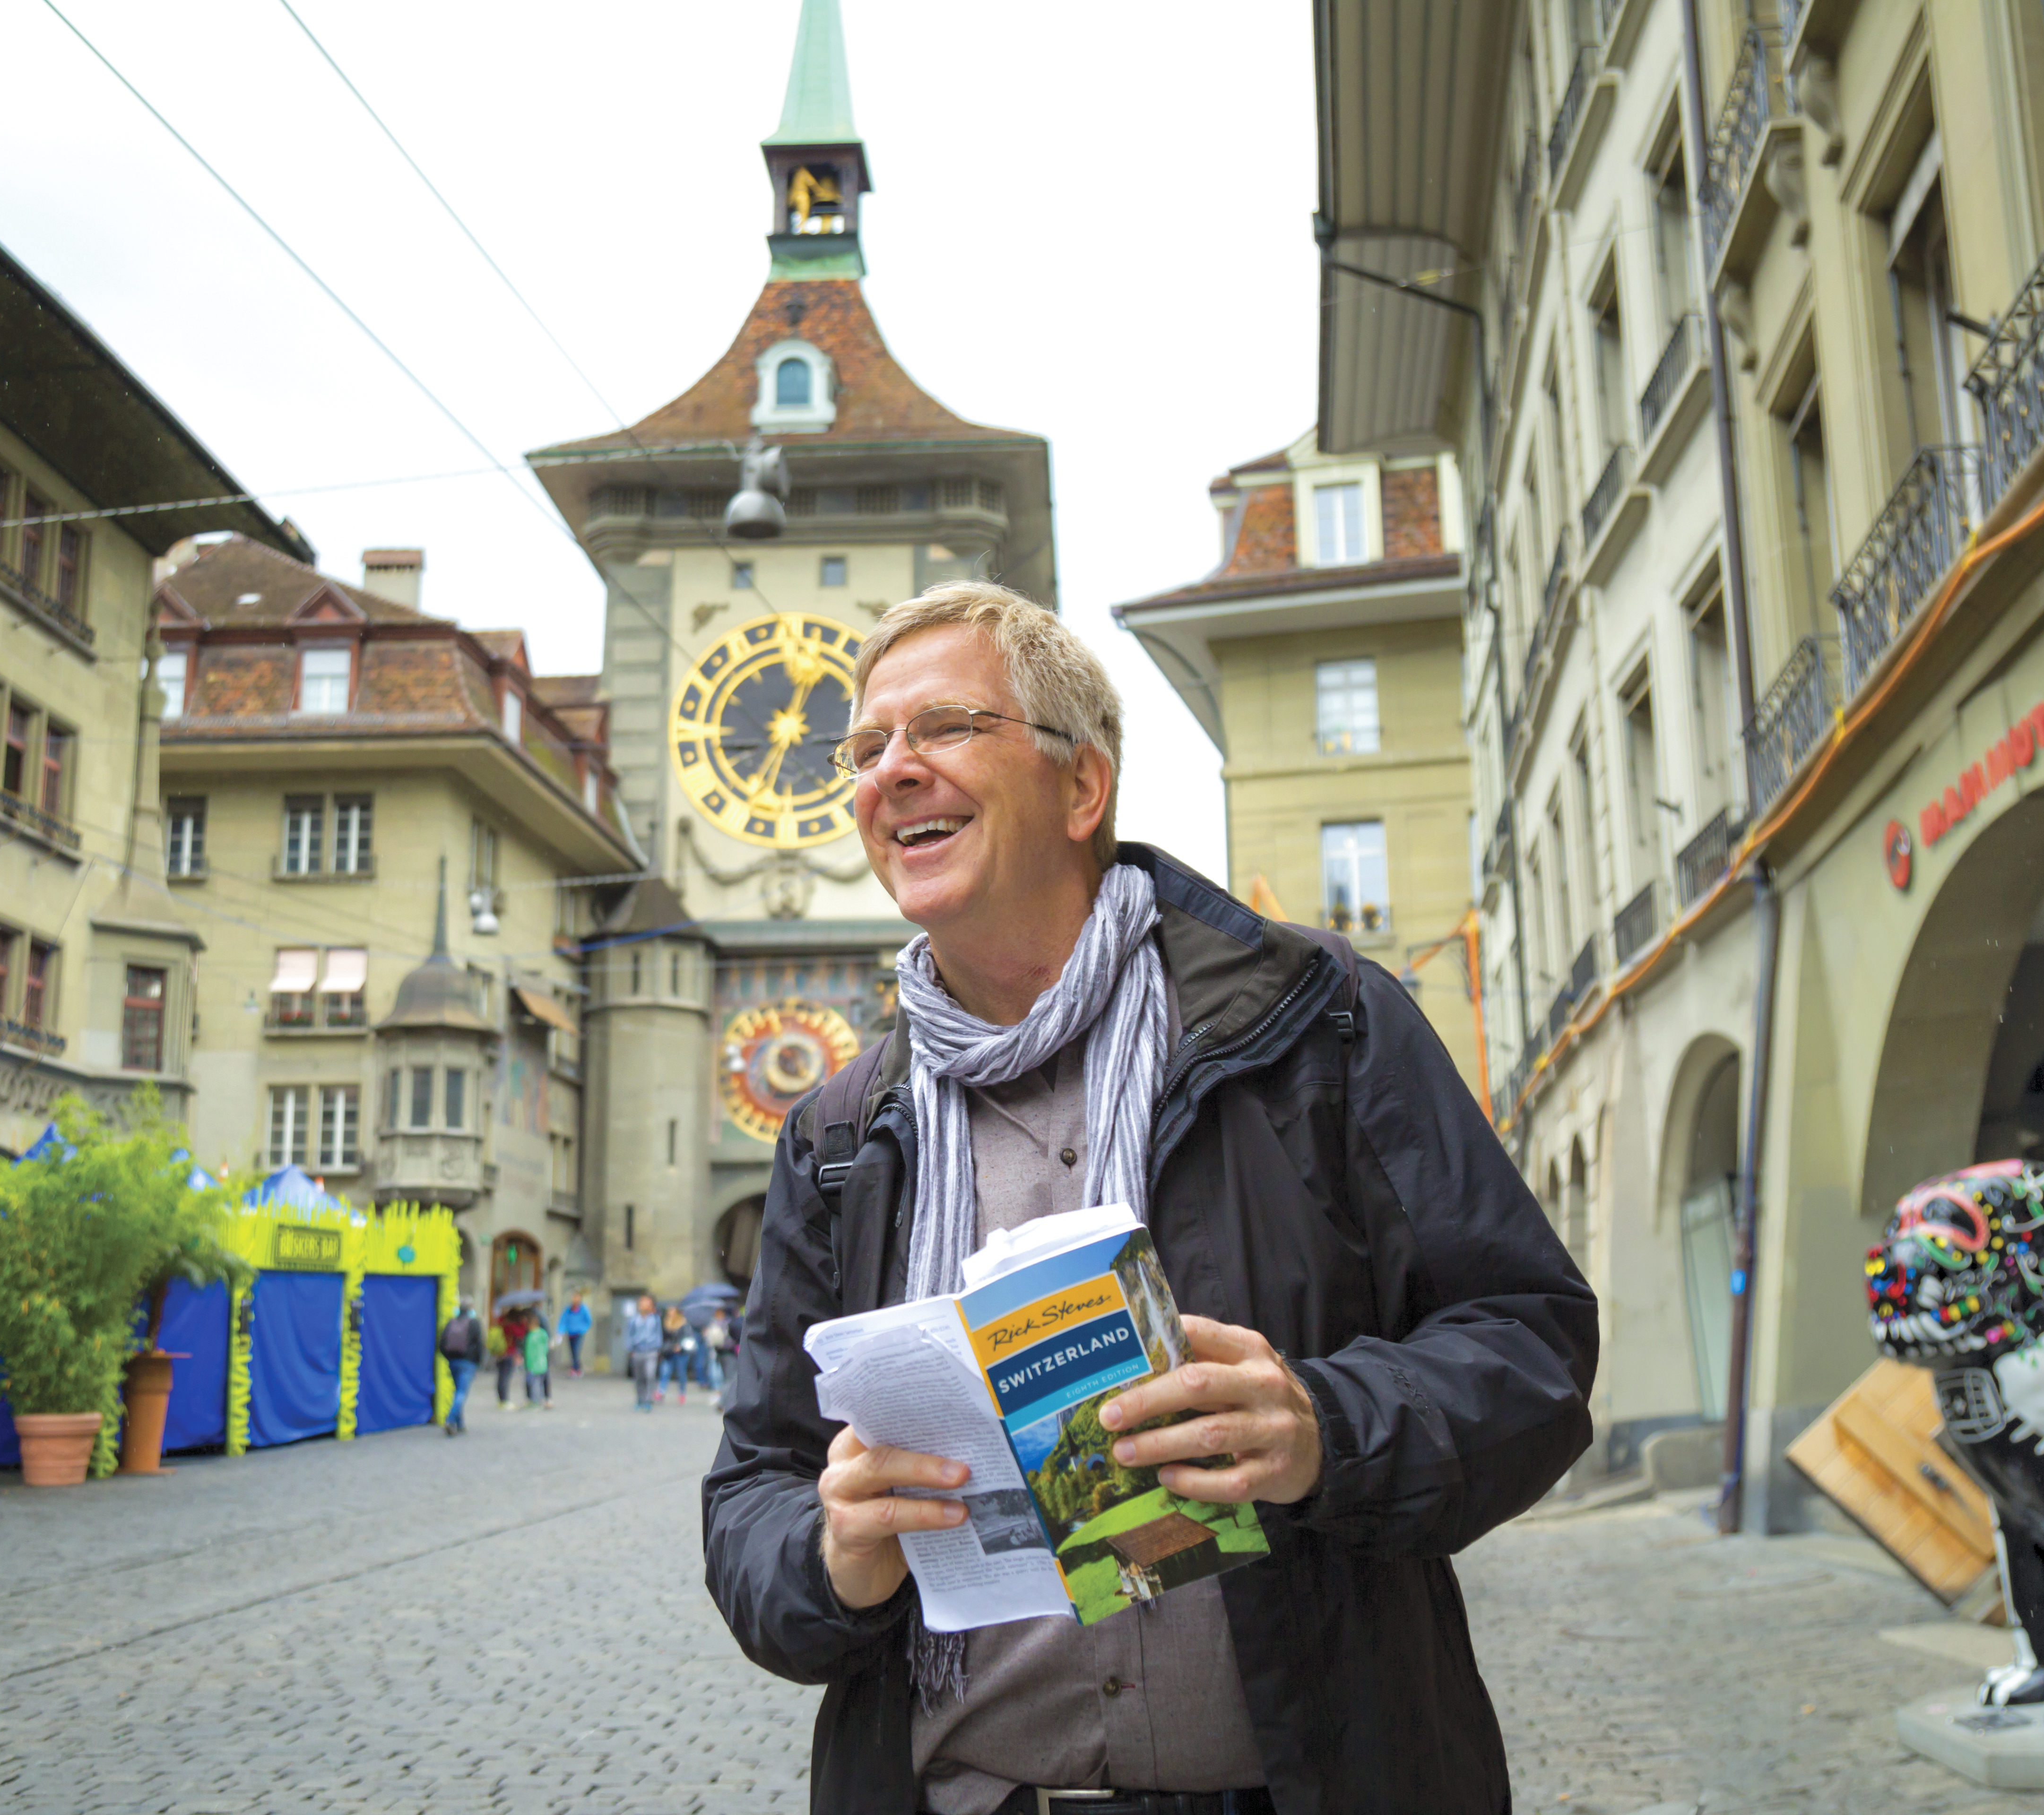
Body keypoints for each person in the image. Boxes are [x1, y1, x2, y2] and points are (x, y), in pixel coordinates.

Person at [704, 584, 1597, 1815]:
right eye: (867, 748)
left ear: (1084, 788)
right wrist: (827, 1553)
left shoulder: (1317, 1026)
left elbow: (1533, 1348)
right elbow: (753, 1483)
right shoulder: (843, 1136)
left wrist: (1321, 1429)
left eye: (947, 728)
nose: (893, 771)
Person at [437, 1299, 484, 1437]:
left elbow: (442, 1344)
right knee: (462, 1393)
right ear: (470, 1309)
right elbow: (480, 1344)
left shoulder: (451, 1322)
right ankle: (450, 1420)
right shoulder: (474, 1323)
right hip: (468, 1363)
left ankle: (460, 1424)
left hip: (453, 1362)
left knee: (458, 1392)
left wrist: (449, 1358)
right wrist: (478, 1362)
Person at [623, 1292, 663, 1411]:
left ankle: (648, 1400)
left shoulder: (655, 1319)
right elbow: (629, 1335)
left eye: (647, 1304)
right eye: (642, 1303)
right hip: (638, 1351)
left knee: (650, 1375)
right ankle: (640, 1400)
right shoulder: (634, 1320)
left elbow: (658, 1335)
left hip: (651, 1351)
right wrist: (630, 1349)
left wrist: (658, 1348)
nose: (645, 1306)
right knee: (639, 1377)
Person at [659, 1304, 695, 1406]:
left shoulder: (684, 1324)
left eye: (673, 1312)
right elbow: (664, 1338)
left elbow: (688, 1337)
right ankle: (661, 1391)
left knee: (681, 1373)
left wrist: (680, 1346)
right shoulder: (665, 1323)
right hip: (669, 1352)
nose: (671, 1314)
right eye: (669, 1312)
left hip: (681, 1353)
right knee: (665, 1372)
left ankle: (682, 1393)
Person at [494, 1305, 529, 1409]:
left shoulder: (502, 1321)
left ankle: (501, 1400)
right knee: (506, 1377)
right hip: (508, 1353)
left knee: (501, 1377)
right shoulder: (512, 1325)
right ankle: (504, 1401)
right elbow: (521, 1334)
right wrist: (523, 1323)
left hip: (499, 1353)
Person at [522, 1316, 552, 1410]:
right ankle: (544, 1400)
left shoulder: (530, 1336)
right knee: (541, 1383)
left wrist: (527, 1363)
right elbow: (547, 1347)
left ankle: (535, 1402)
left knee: (533, 1384)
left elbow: (528, 1352)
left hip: (533, 1365)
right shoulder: (543, 1334)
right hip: (543, 1363)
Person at [562, 1291, 593, 1377]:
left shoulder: (584, 1309)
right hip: (571, 1333)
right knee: (573, 1352)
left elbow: (589, 1321)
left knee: (576, 1351)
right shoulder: (568, 1310)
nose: (574, 1299)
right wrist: (561, 1331)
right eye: (573, 1297)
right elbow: (563, 1321)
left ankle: (575, 1369)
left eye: (576, 1297)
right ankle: (578, 1368)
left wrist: (583, 1329)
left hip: (579, 1334)